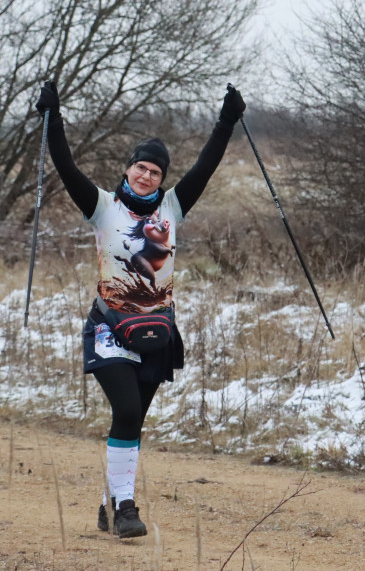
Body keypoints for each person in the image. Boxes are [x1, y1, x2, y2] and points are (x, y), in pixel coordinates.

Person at [34, 80, 246, 538]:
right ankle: (127, 509)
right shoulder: (102, 207)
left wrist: (226, 120)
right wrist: (54, 119)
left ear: (162, 178)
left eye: (154, 171)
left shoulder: (172, 207)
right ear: (128, 169)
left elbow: (206, 166)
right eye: (140, 168)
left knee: (132, 420)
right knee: (127, 410)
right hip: (110, 328)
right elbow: (66, 165)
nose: (146, 176)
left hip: (155, 331)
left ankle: (111, 504)